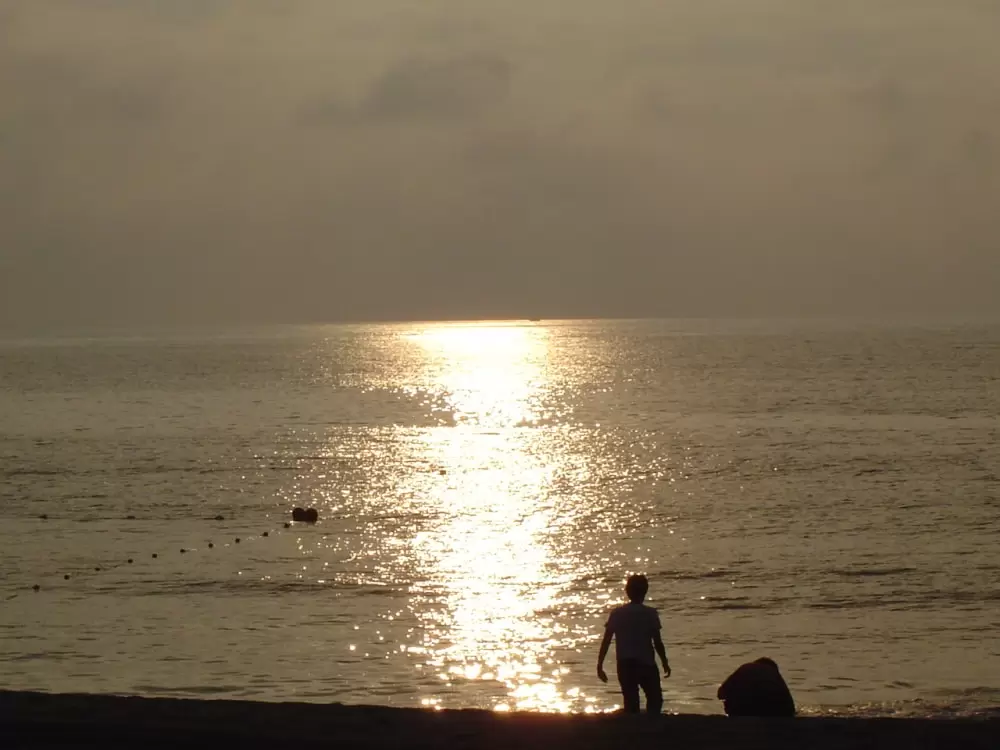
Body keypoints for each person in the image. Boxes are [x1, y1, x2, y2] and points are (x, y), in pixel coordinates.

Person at [596, 574, 671, 714]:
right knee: (655, 698)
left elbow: (606, 640)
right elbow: (657, 641)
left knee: (631, 701)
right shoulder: (650, 613)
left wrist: (600, 664)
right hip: (646, 662)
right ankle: (650, 727)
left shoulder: (617, 613)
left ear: (627, 591)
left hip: (625, 663)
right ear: (645, 591)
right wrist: (664, 662)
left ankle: (633, 728)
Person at [716, 657, 796, 717]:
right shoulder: (775, 675)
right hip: (777, 712)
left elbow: (721, 694)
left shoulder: (746, 667)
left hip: (743, 711)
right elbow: (790, 707)